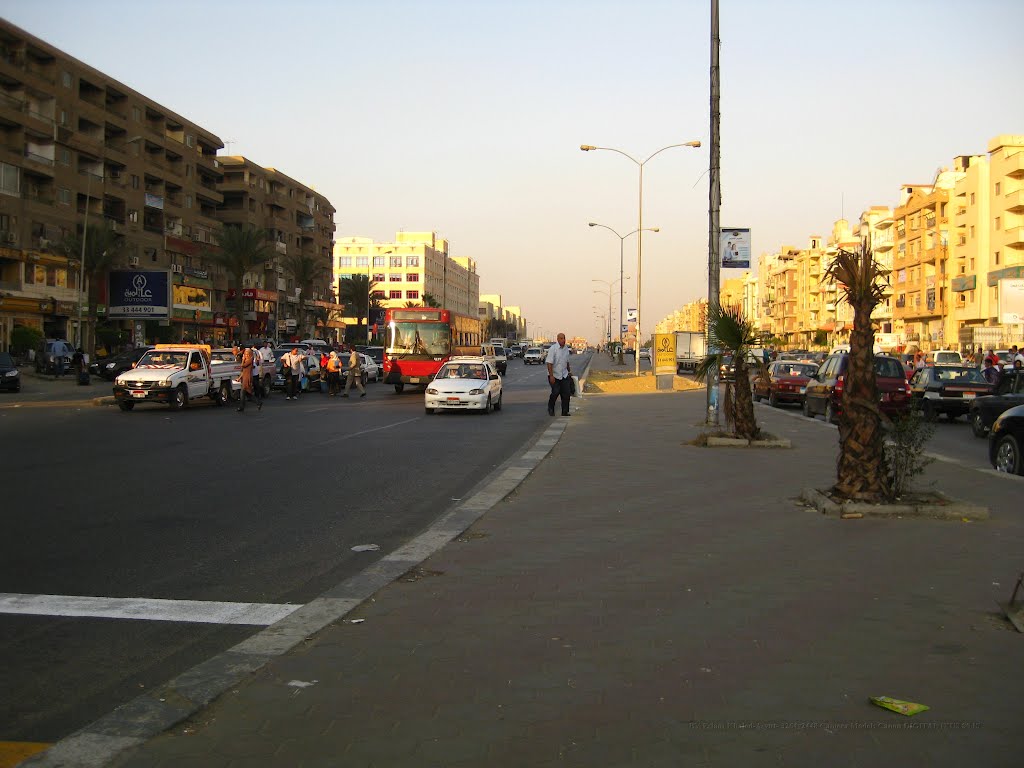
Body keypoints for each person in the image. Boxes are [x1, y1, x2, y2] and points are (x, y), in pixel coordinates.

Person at [545, 332, 573, 417]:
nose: (563, 340)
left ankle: (565, 411)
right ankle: (550, 408)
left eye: (564, 338)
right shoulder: (553, 349)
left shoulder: (566, 349)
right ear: (557, 339)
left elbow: (566, 362)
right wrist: (551, 376)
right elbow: (549, 363)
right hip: (555, 375)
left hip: (564, 375)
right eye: (561, 338)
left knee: (566, 394)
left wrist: (569, 372)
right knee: (555, 392)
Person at [237, 346, 261, 412]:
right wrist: (239, 378)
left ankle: (242, 407)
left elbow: (243, 366)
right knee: (247, 394)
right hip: (244, 377)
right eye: (245, 354)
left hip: (247, 378)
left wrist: (243, 359)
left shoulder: (250, 360)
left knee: (243, 393)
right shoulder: (247, 360)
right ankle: (258, 402)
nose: (246, 355)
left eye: (247, 354)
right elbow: (243, 371)